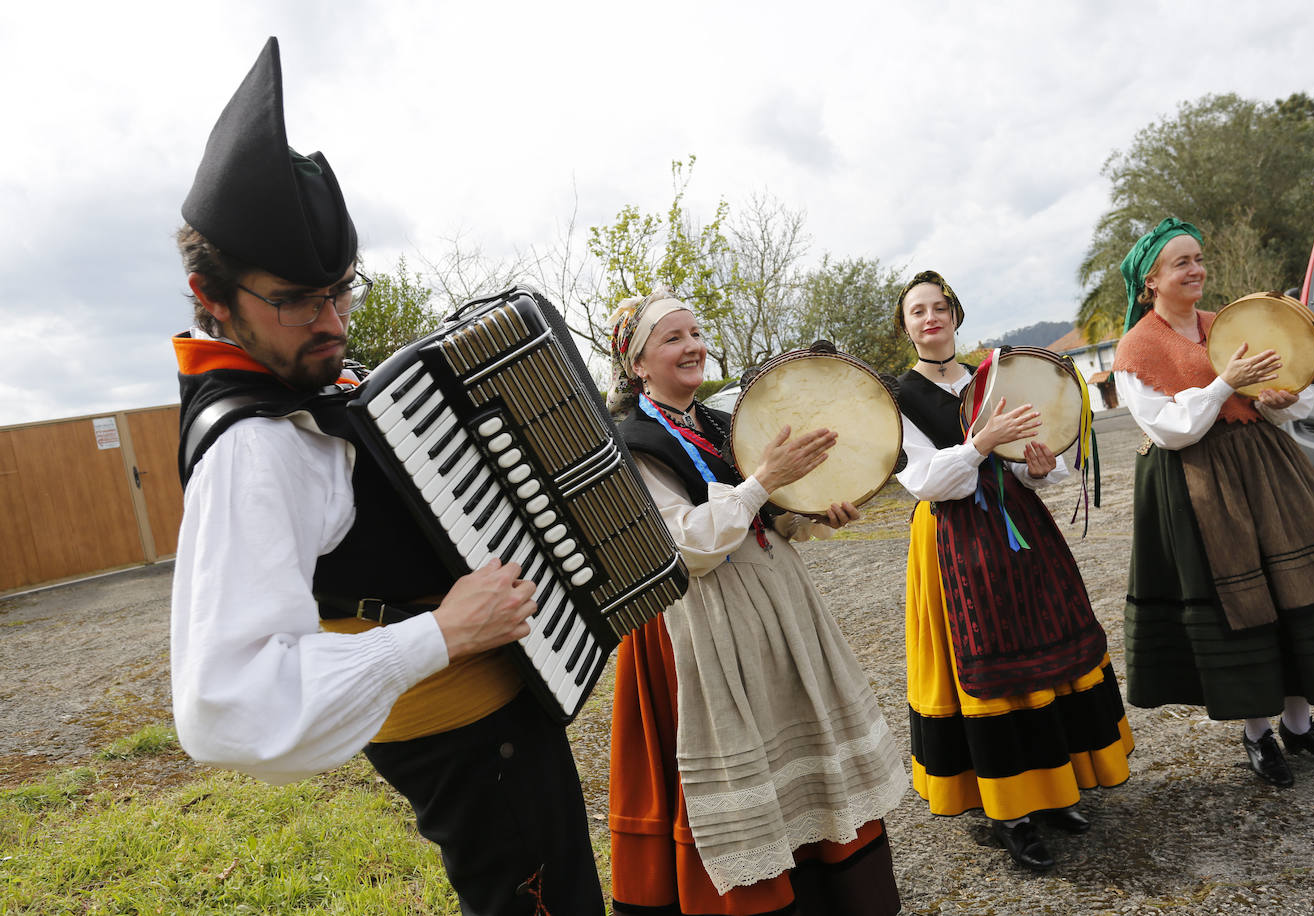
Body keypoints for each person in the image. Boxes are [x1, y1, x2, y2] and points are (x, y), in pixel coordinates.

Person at [168, 38, 603, 914]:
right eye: (296, 300)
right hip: (462, 737)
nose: (332, 323)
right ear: (210, 295)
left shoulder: (314, 386)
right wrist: (439, 633)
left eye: (343, 291)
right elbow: (223, 705)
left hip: (503, 717)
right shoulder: (253, 447)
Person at [604, 289, 909, 915]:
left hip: (779, 603)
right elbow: (684, 547)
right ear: (637, 364)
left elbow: (772, 515)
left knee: (809, 761)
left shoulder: (722, 421)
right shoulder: (632, 445)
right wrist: (764, 480)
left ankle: (833, 897)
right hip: (708, 621)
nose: (693, 346)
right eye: (673, 339)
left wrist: (818, 509)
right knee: (747, 775)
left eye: (694, 333)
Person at [1113, 217, 1314, 788]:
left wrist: (1283, 399)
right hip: (1202, 486)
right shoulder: (1136, 347)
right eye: (1181, 262)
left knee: (1299, 593)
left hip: (1270, 471)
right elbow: (1169, 431)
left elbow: (1279, 405)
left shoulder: (1234, 323)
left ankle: (1301, 725)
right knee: (1244, 606)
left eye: (1198, 258)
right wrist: (1224, 381)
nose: (1196, 269)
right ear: (1150, 281)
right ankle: (1258, 734)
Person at [892, 270, 1133, 870]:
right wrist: (980, 442)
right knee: (991, 673)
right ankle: (1009, 812)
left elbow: (1026, 471)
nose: (930, 318)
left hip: (1019, 533)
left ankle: (1053, 792)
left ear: (955, 314)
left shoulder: (990, 377)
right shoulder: (896, 400)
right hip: (953, 542)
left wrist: (1039, 463)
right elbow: (923, 481)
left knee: (1045, 655)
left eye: (939, 307)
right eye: (917, 311)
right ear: (905, 327)